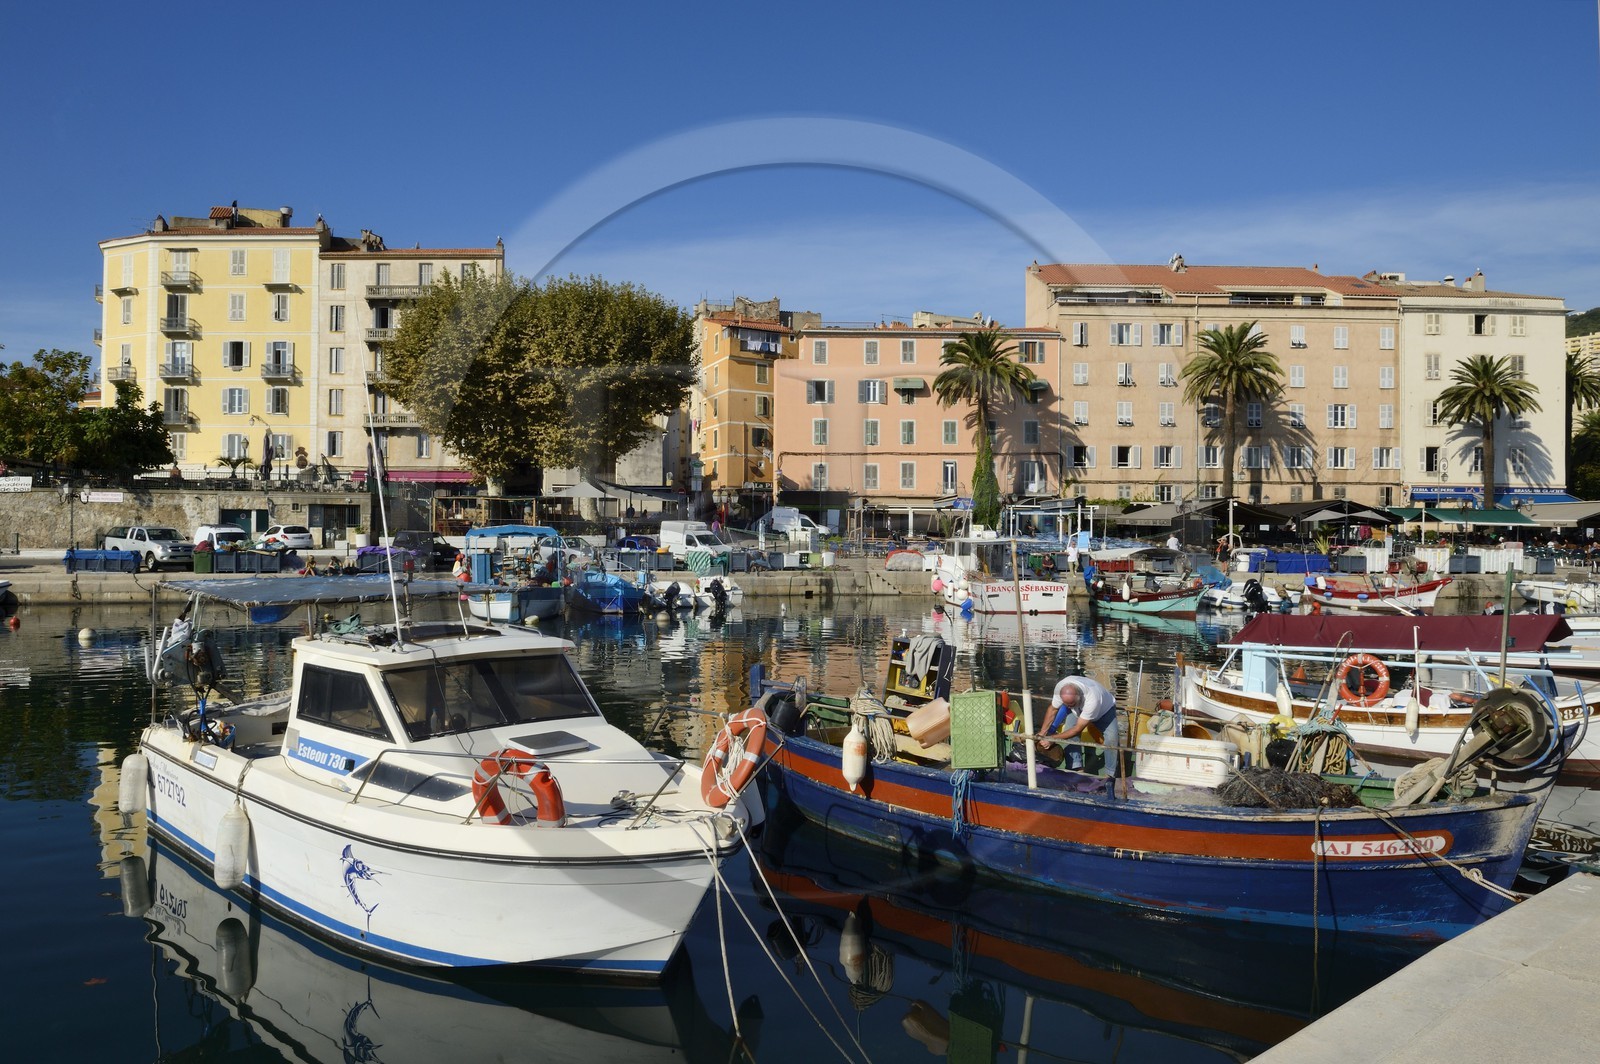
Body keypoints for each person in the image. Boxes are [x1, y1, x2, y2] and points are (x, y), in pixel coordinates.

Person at [1040, 675, 1120, 776]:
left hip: (1104, 710)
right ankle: (1075, 768)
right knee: (1069, 732)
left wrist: (1052, 738)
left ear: (1080, 696)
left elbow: (1077, 729)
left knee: (1112, 738)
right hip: (1078, 709)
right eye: (1066, 704)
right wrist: (1042, 733)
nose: (1068, 706)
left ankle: (1110, 775)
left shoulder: (1092, 699)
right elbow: (1053, 709)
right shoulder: (1060, 688)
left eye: (1071, 704)